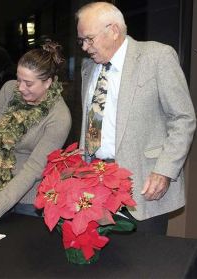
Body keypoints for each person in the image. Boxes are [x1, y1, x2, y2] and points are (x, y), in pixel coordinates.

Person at [76, 2, 196, 234]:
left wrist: (165, 170)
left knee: (144, 265)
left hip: (143, 184)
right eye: (81, 41)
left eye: (89, 39)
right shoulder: (88, 68)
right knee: (103, 265)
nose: (84, 47)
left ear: (113, 31)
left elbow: (183, 118)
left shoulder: (157, 56)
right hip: (95, 183)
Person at [0, 41, 72, 221]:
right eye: (19, 79)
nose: (21, 87)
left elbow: (35, 168)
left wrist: (1, 204)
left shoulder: (60, 117)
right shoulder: (9, 90)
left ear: (48, 83)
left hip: (30, 201)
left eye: (28, 83)